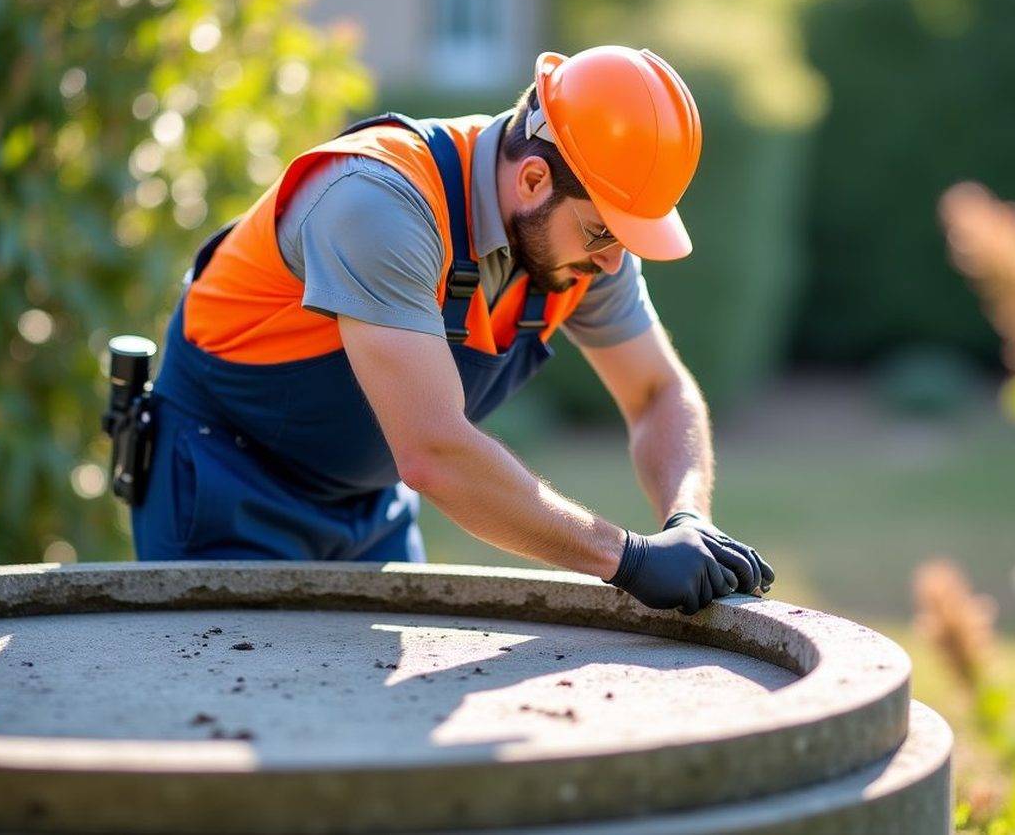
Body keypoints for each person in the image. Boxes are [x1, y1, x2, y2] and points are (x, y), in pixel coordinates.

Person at [130, 46, 774, 614]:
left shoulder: (577, 241)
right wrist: (628, 558)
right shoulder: (378, 201)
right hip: (224, 488)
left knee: (384, 740)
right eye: (603, 231)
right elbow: (433, 451)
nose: (613, 261)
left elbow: (658, 391)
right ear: (532, 179)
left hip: (368, 510)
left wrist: (689, 518)